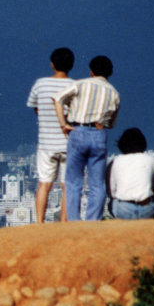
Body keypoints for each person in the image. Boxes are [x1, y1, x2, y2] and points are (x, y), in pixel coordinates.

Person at [53, 55, 120, 221]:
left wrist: (63, 123)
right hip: (99, 134)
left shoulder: (80, 84)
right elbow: (111, 124)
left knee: (73, 181)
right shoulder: (114, 93)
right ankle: (93, 222)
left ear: (91, 71)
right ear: (110, 72)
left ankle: (74, 221)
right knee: (97, 184)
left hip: (77, 130)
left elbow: (57, 98)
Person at [26, 47, 75, 223]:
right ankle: (64, 223)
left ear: (52, 64)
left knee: (44, 184)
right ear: (71, 65)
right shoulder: (75, 85)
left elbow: (36, 109)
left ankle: (39, 224)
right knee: (67, 186)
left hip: (46, 143)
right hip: (69, 142)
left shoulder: (40, 84)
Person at [106, 128, 154, 219]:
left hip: (124, 210)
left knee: (112, 202)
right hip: (147, 209)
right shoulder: (150, 159)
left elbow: (112, 192)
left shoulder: (116, 161)